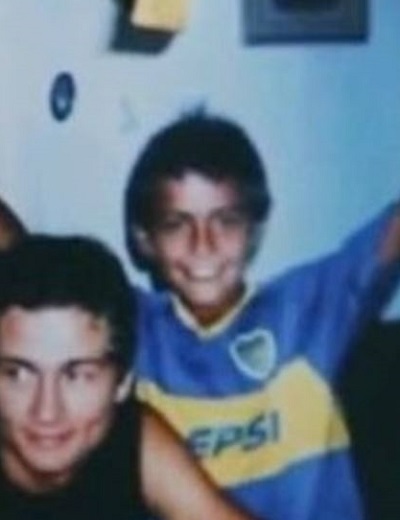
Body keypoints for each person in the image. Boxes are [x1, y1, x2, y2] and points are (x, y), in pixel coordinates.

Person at [124, 112, 400, 520]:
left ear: (254, 229)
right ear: (144, 239)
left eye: (226, 221)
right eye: (176, 224)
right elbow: (37, 269)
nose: (203, 245)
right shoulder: (136, 329)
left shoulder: (304, 310)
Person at [0, 235, 257, 520]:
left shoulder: (132, 441)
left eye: (77, 375)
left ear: (123, 381)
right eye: (18, 374)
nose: (47, 412)